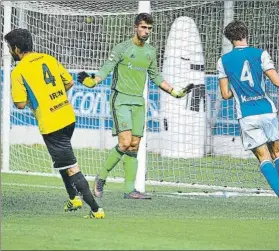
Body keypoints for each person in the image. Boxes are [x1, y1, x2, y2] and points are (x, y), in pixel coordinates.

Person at [78, 13, 194, 199]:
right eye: (143, 27)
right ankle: (102, 177)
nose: (146, 31)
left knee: (134, 145)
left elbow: (155, 77)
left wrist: (175, 92)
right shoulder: (122, 48)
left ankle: (129, 190)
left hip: (139, 103)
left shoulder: (150, 52)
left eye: (149, 28)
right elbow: (106, 69)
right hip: (121, 100)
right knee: (124, 143)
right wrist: (94, 81)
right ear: (135, 27)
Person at [4, 28, 105, 218]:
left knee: (71, 165)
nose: (9, 51)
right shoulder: (48, 58)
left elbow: (19, 103)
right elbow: (69, 82)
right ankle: (74, 198)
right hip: (67, 116)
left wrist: (36, 101)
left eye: (10, 47)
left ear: (17, 48)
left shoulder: (18, 71)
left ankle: (96, 209)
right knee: (62, 161)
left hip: (52, 124)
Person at [217, 20, 279, 197]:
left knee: (263, 157)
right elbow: (276, 81)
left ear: (230, 39)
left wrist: (237, 87)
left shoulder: (223, 61)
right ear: (246, 34)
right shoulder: (260, 54)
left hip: (246, 115)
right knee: (277, 152)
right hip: (267, 110)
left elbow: (225, 94)